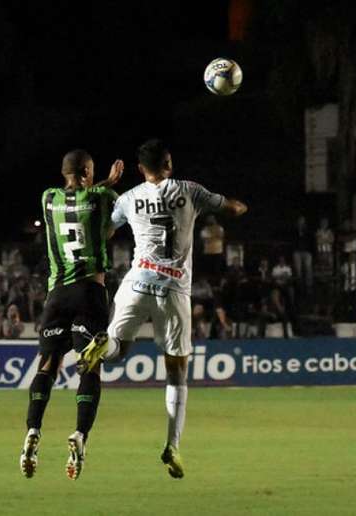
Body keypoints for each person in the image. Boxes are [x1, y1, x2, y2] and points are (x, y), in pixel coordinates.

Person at [80, 139, 247, 479]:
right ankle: (172, 444)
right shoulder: (190, 191)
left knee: (116, 351)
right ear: (169, 163)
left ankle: (104, 342)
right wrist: (240, 207)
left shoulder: (128, 198)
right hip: (173, 290)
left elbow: (106, 231)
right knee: (176, 373)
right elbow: (229, 208)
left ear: (141, 169)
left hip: (136, 283)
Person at [20, 149, 124, 481]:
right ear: (89, 171)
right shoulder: (103, 195)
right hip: (89, 292)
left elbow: (75, 201)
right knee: (89, 365)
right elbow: (108, 227)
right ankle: (79, 434)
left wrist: (101, 182)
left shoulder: (47, 197)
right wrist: (110, 182)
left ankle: (33, 430)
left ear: (64, 171)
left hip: (57, 295)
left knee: (48, 365)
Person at [291, 215, 313, 294]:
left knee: (308, 266)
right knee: (298, 268)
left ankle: (309, 285)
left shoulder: (307, 231)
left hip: (306, 252)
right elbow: (293, 242)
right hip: (297, 252)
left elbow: (310, 242)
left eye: (302, 221)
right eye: (300, 221)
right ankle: (299, 285)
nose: (301, 223)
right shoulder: (294, 231)